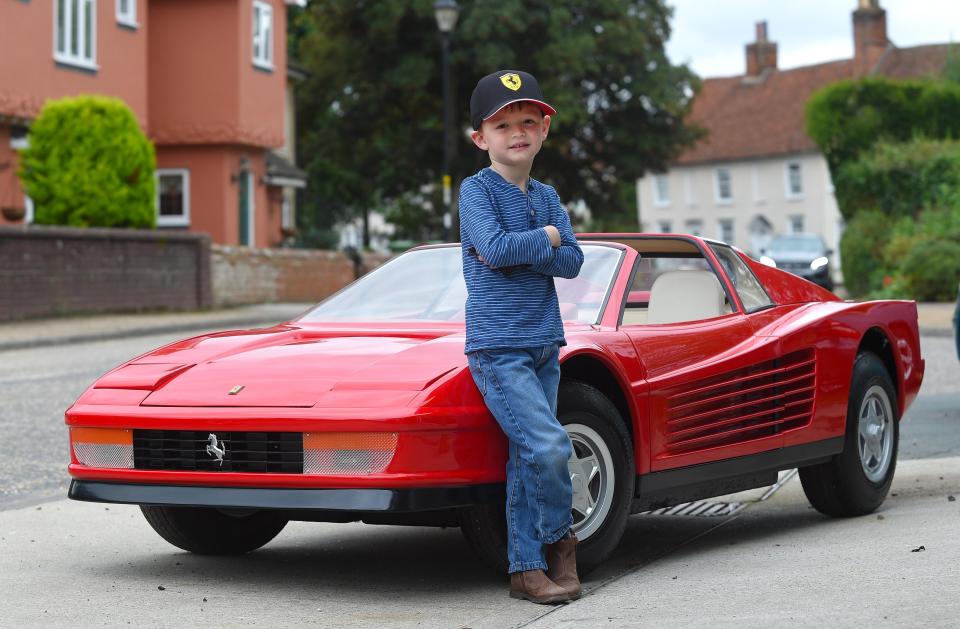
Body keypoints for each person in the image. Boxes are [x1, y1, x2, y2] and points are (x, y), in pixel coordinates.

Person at [459, 70, 585, 604]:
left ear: (544, 131)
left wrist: (532, 246)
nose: (518, 131)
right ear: (480, 138)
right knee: (551, 446)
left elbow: (575, 261)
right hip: (498, 346)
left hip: (543, 344)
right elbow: (494, 249)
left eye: (528, 121)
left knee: (525, 458)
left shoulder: (549, 194)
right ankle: (562, 543)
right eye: (503, 123)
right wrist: (547, 241)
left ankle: (525, 569)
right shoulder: (476, 190)